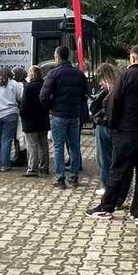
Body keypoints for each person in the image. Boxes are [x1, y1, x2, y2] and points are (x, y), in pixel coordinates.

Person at [89, 44, 138, 224]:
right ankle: (137, 213)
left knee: (117, 171)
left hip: (126, 132)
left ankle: (107, 208)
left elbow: (114, 102)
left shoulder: (127, 75)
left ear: (132, 58)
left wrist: (113, 124)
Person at [40, 46, 87, 188]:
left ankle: (60, 178)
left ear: (57, 56)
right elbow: (84, 94)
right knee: (74, 145)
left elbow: (43, 96)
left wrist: (51, 107)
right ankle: (74, 176)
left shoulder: (53, 73)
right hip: (74, 114)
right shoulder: (79, 74)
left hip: (58, 114)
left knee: (58, 147)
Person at [89, 63, 118, 190]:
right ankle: (116, 187)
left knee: (103, 158)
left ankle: (106, 186)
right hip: (116, 127)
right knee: (114, 158)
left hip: (104, 126)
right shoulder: (119, 86)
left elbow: (95, 108)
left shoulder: (106, 91)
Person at [21, 66, 50, 176]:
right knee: (43, 144)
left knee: (32, 145)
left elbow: (24, 105)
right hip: (43, 119)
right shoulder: (45, 86)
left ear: (32, 74)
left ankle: (33, 168)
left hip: (30, 120)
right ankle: (44, 166)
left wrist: (22, 114)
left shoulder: (29, 87)